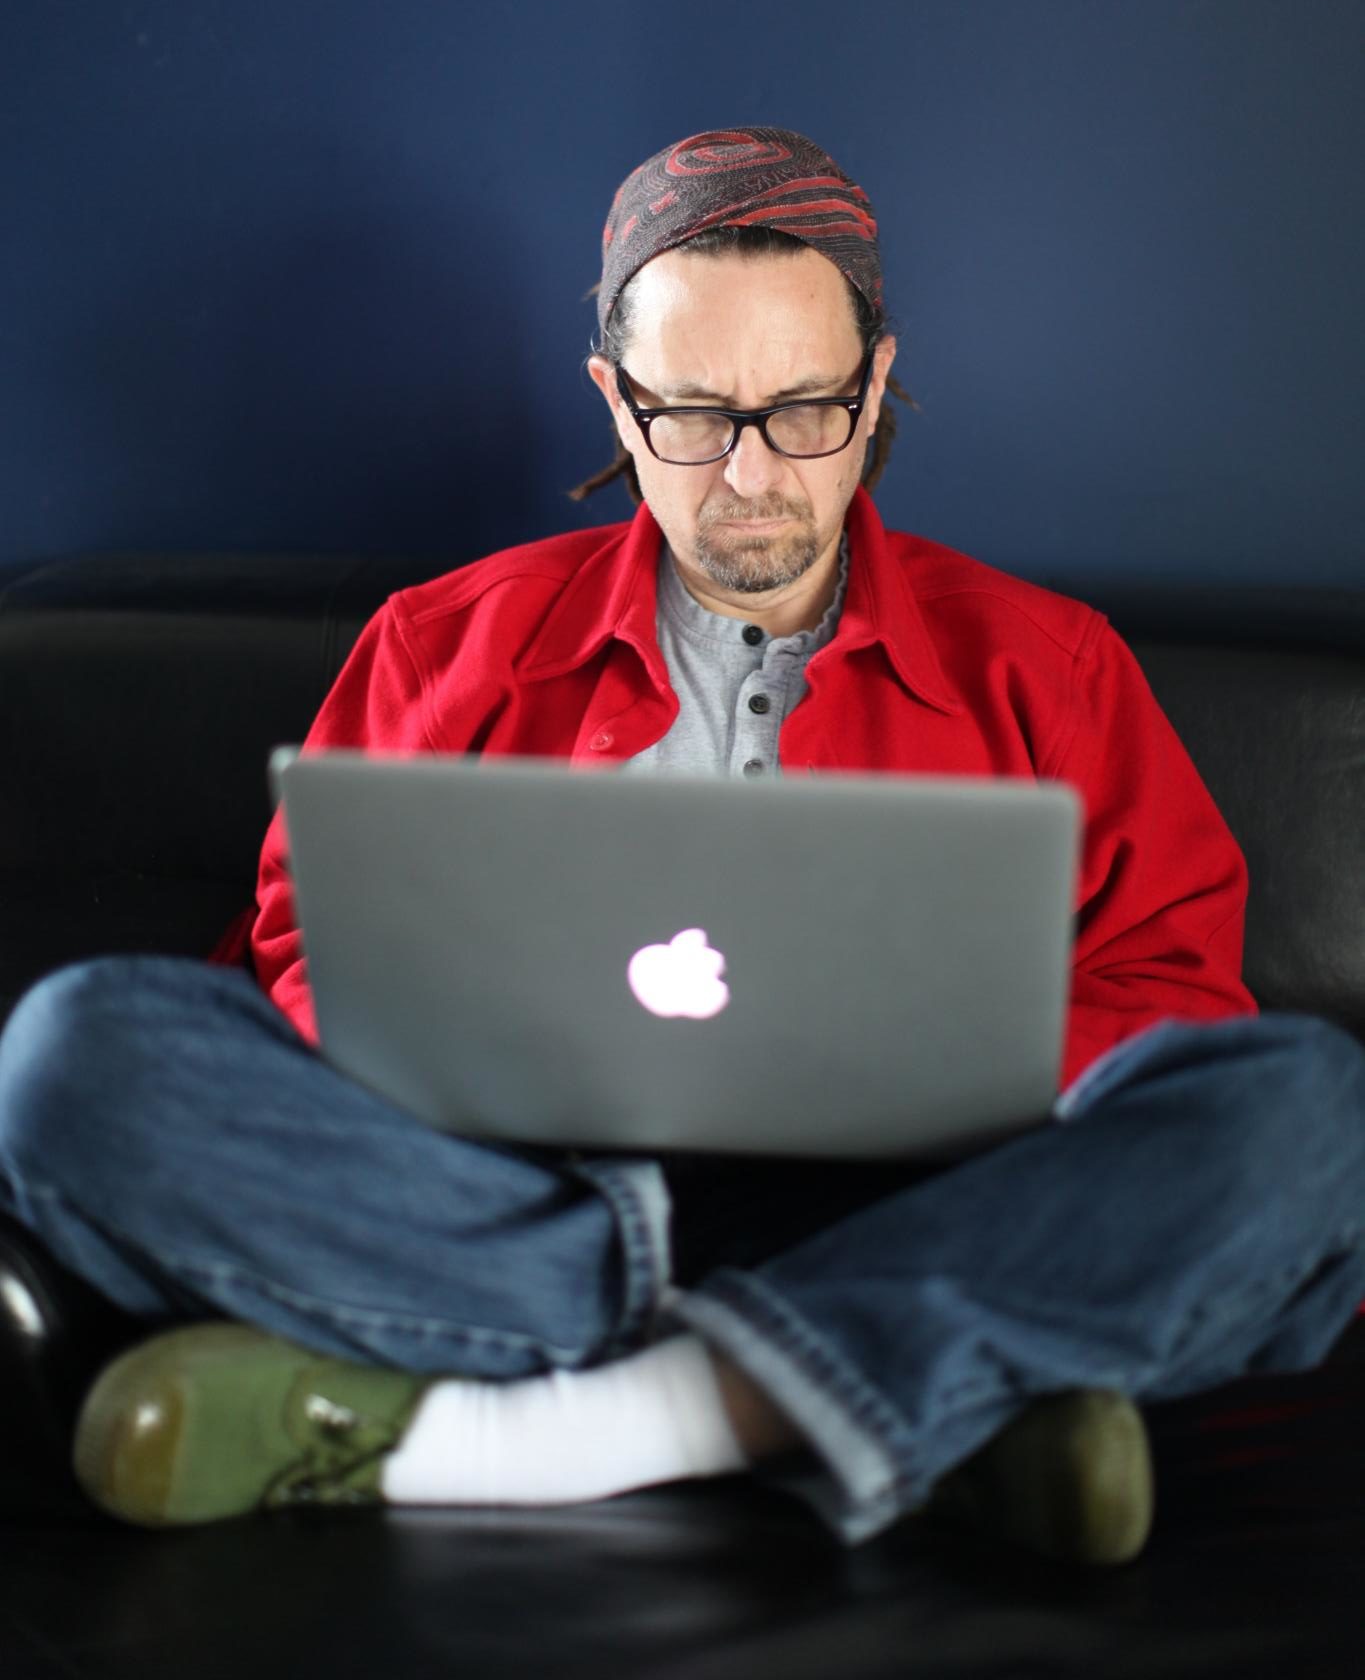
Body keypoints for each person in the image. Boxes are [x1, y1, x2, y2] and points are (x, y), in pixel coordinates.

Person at [2, 126, 1363, 1566]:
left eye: (804, 412)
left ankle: (513, 1430)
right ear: (613, 399)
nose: (751, 476)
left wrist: (947, 1075)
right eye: (694, 416)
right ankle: (887, 1399)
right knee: (71, 1054)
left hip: (926, 1203)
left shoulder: (1051, 667)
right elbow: (293, 963)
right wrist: (457, 1056)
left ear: (877, 384)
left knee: (1310, 1113)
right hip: (499, 1197)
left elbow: (1176, 998)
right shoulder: (439, 643)